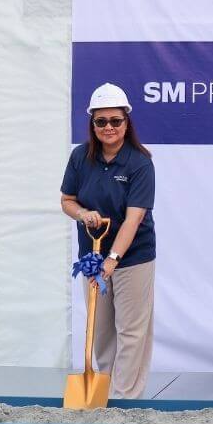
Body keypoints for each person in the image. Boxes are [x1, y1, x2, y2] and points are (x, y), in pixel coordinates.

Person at [60, 83, 156, 399]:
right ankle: (103, 391)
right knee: (100, 330)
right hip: (92, 257)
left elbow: (134, 217)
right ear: (92, 125)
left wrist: (114, 257)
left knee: (130, 330)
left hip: (132, 258)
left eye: (115, 120)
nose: (109, 128)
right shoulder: (80, 157)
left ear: (127, 122)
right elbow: (67, 200)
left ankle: (124, 398)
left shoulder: (140, 162)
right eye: (101, 122)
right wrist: (83, 214)